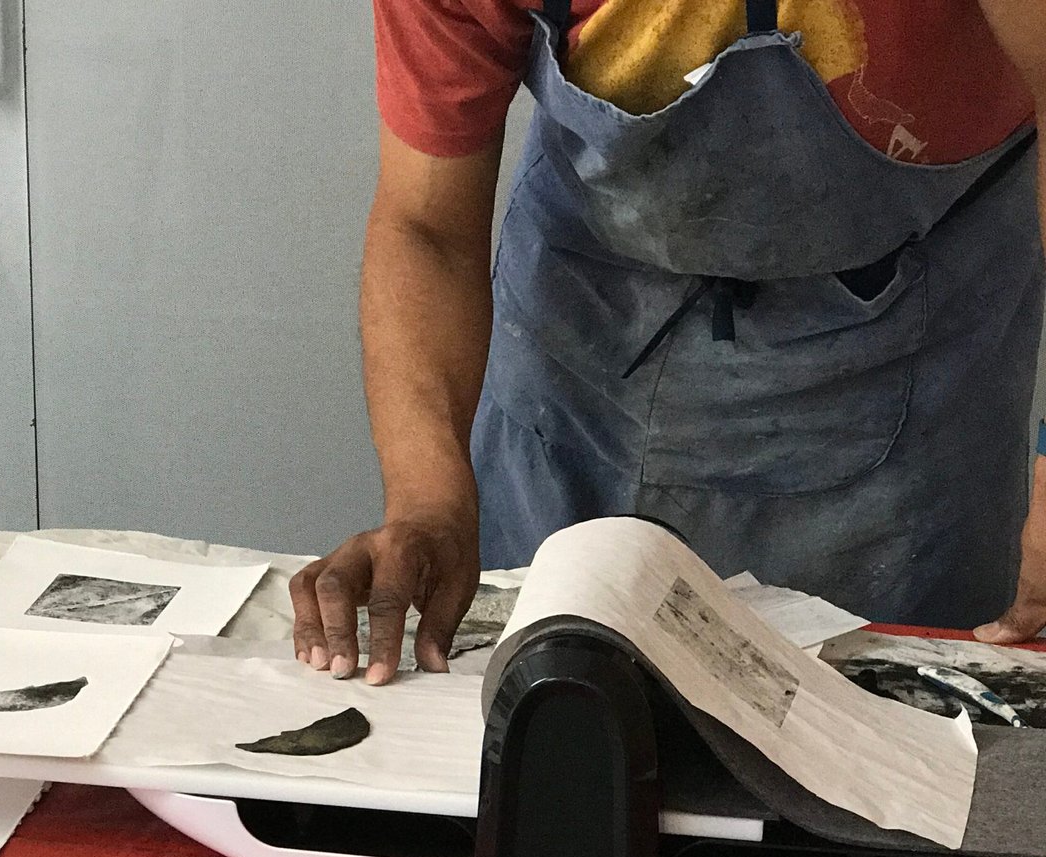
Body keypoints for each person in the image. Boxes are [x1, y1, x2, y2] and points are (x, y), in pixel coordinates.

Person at [290, 0, 1046, 685]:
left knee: (891, 735)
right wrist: (426, 500)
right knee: (556, 724)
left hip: (910, 347)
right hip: (584, 340)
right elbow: (426, 225)